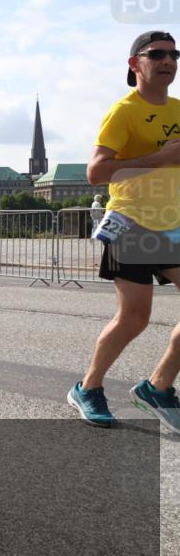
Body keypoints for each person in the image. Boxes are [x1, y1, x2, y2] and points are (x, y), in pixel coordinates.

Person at [67, 30, 180, 434]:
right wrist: (158, 158)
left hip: (173, 225)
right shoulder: (124, 112)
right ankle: (88, 388)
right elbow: (96, 173)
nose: (168, 61)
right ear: (135, 64)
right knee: (134, 318)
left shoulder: (179, 109)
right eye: (157, 54)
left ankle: (157, 388)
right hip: (131, 224)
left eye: (174, 55)